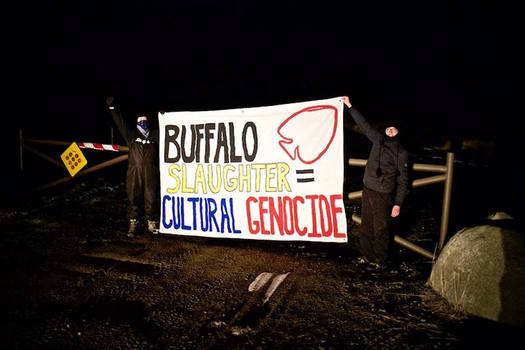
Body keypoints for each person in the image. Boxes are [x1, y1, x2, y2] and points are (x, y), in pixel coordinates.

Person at [342, 96, 409, 267]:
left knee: (381, 229)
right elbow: (364, 125)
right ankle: (367, 256)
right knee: (366, 226)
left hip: (383, 194)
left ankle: (380, 260)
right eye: (388, 130)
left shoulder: (401, 153)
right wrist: (349, 105)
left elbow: (403, 180)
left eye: (394, 130)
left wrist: (398, 204)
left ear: (398, 131)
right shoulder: (377, 140)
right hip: (368, 189)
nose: (390, 132)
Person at [105, 96, 160, 237]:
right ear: (136, 123)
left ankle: (152, 222)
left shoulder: (154, 136)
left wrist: (167, 118)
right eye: (140, 121)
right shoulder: (131, 135)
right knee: (133, 196)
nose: (143, 123)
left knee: (151, 196)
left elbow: (168, 131)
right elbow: (120, 122)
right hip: (134, 171)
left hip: (150, 171)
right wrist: (112, 108)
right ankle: (133, 223)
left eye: (145, 121)